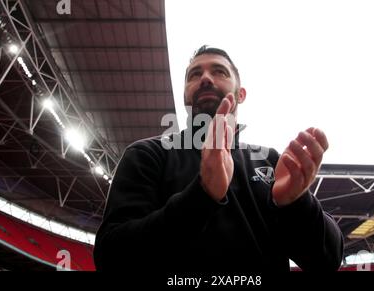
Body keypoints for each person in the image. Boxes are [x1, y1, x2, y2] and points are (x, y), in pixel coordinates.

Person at [93, 45, 344, 273]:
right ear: (185, 94)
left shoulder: (270, 162)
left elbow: (327, 261)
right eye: (194, 75)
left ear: (241, 93)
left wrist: (295, 204)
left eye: (219, 71)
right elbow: (111, 257)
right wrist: (201, 196)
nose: (205, 79)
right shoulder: (147, 155)